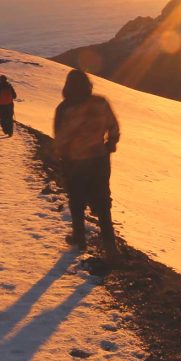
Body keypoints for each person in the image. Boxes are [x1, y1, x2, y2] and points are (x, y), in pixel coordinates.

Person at [54, 69, 120, 261]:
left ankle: (79, 238)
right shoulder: (100, 102)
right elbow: (113, 127)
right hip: (99, 158)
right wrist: (110, 145)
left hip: (75, 161)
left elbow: (60, 138)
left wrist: (62, 158)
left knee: (77, 199)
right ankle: (110, 246)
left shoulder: (64, 108)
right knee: (102, 199)